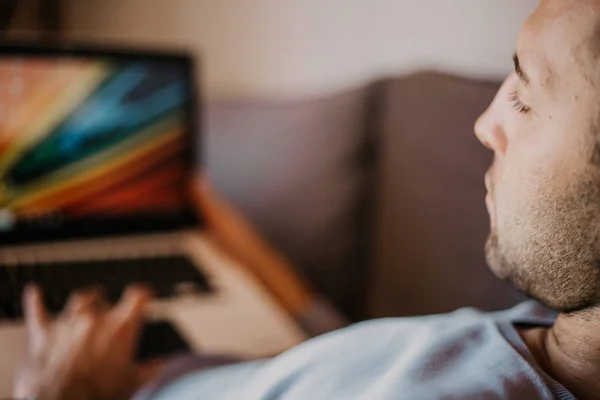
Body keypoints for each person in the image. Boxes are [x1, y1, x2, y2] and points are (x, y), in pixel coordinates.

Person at [12, 0, 600, 398]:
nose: (485, 123)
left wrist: (62, 394)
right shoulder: (545, 329)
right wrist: (243, 251)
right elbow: (345, 360)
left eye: (524, 99)